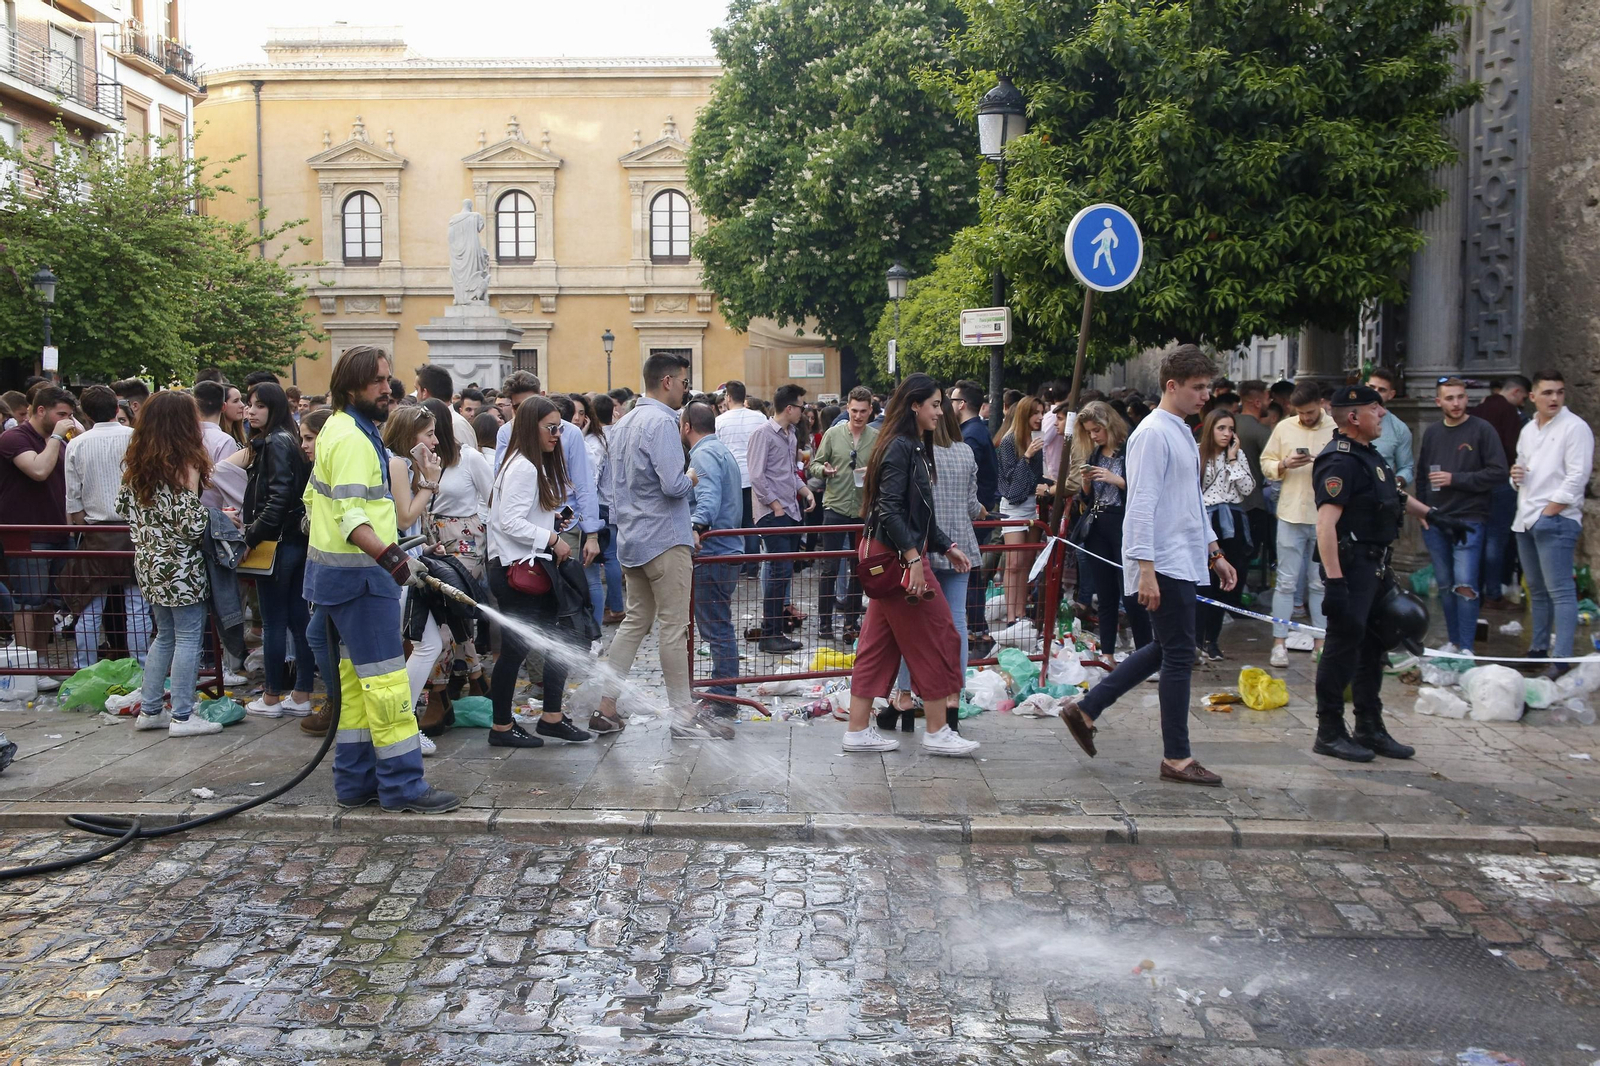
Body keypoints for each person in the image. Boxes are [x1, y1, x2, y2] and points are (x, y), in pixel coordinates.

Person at [1056, 345, 1237, 787]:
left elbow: (1190, 503)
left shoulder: (1177, 429)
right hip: (1165, 561)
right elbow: (1140, 506)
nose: (1204, 396)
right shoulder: (1153, 433)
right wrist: (1146, 570)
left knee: (1166, 647)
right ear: (1171, 386)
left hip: (1181, 557)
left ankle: (1087, 708)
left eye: (1207, 387)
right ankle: (1176, 757)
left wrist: (1214, 551)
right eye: (1197, 387)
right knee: (1177, 653)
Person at [302, 345, 458, 814]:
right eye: (377, 382)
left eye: (388, 379)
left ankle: (355, 783)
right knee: (389, 687)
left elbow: (315, 504)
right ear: (351, 386)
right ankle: (403, 787)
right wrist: (393, 559)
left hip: (339, 581)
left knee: (354, 689)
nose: (387, 388)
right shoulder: (352, 440)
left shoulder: (342, 429)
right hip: (362, 584)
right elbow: (352, 519)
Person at [1312, 385, 1469, 761]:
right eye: (1374, 408)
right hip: (1351, 568)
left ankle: (1369, 727)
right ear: (1353, 417)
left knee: (1372, 647)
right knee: (1341, 648)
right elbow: (1325, 526)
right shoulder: (1340, 461)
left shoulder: (1370, 457)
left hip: (1376, 566)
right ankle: (1329, 731)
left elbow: (1393, 494)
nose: (1382, 414)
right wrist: (1334, 582)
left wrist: (1433, 516)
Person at [839, 374, 976, 756]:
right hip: (900, 558)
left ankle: (856, 729)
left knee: (877, 646)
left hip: (893, 555)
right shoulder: (902, 447)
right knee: (937, 636)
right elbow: (890, 508)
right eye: (934, 404)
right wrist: (916, 558)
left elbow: (916, 511)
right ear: (914, 405)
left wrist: (946, 545)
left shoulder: (909, 445)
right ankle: (936, 730)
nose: (941, 411)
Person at [597, 352, 730, 740]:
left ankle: (607, 705)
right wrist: (691, 474)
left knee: (635, 623)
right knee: (674, 628)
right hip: (664, 540)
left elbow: (611, 489)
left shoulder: (624, 423)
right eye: (684, 382)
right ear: (668, 382)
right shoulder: (661, 422)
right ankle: (683, 713)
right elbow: (673, 485)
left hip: (633, 540)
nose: (686, 390)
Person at [485, 396, 596, 748]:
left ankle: (551, 717)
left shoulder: (528, 463)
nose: (557, 434)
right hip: (518, 572)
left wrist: (552, 519)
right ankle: (502, 727)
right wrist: (552, 538)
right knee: (517, 650)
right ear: (531, 427)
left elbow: (520, 514)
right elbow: (508, 521)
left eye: (560, 428)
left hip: (527, 568)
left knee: (559, 638)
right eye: (551, 428)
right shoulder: (525, 467)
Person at [117, 391, 223, 737]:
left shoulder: (137, 463)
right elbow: (192, 526)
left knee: (164, 636)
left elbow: (124, 510)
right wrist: (195, 491)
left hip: (148, 562)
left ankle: (150, 709)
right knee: (189, 637)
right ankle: (182, 714)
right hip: (181, 567)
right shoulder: (183, 464)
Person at [881, 398, 984, 732]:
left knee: (912, 628)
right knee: (956, 623)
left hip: (921, 547)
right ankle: (954, 696)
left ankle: (906, 695)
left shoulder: (919, 454)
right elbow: (971, 506)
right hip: (961, 545)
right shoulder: (965, 452)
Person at [233, 382, 317, 718]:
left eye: (258, 406)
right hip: (290, 540)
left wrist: (250, 536)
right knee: (297, 618)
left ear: (275, 409)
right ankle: (301, 693)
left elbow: (279, 497)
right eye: (249, 405)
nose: (250, 411)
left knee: (275, 620)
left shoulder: (277, 441)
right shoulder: (285, 439)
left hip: (278, 543)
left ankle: (272, 696)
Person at [1511, 369, 1595, 681]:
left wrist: (1552, 510)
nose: (1555, 398)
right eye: (1547, 392)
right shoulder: (1529, 430)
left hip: (1556, 518)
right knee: (1536, 590)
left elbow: (1578, 475)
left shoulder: (1575, 428)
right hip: (1526, 517)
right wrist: (1515, 477)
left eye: (1559, 392)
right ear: (1532, 397)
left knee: (1560, 590)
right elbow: (1521, 468)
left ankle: (1561, 659)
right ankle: (1537, 650)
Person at [1415, 378, 1507, 655]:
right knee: (1444, 584)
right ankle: (1454, 642)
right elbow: (1421, 474)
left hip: (1470, 517)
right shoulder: (1432, 432)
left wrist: (1455, 479)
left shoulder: (1482, 429)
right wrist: (1421, 509)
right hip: (1436, 518)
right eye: (1450, 398)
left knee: (1465, 583)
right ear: (1438, 402)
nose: (1456, 403)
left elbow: (1498, 472)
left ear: (1467, 399)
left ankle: (1467, 646)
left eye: (1460, 397)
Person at [62, 384, 145, 669]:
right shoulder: (136, 437)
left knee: (90, 606)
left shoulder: (77, 444)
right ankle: (142, 667)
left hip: (97, 533)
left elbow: (73, 501)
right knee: (137, 606)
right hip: (135, 531)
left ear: (85, 413)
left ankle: (84, 667)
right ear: (115, 409)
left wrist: (79, 529)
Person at [381, 405, 450, 741]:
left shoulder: (405, 465)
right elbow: (404, 518)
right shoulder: (396, 462)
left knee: (422, 646)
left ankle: (400, 722)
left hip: (405, 563)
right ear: (410, 436)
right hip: (395, 571)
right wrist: (431, 483)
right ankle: (401, 725)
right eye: (429, 434)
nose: (435, 442)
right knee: (425, 646)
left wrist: (425, 548)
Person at [0, 385, 78, 679]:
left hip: (58, 531)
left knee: (48, 601)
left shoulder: (57, 440)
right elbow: (38, 470)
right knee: (27, 601)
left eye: (69, 415)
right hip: (28, 533)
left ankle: (42, 661)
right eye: (61, 414)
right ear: (41, 410)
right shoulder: (14, 438)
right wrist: (58, 436)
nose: (67, 420)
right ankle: (26, 667)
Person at [1068, 401, 1151, 662]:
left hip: (1122, 524)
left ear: (1108, 425)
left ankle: (1145, 651)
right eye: (1090, 431)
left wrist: (1118, 481)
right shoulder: (1095, 454)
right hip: (1097, 524)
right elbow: (1086, 496)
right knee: (1104, 594)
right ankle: (1107, 653)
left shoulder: (1130, 449)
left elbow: (1143, 488)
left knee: (1131, 593)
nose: (1093, 436)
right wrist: (1086, 481)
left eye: (1096, 430)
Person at [422, 397, 493, 698]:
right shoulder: (420, 460)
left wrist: (481, 528)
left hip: (465, 538)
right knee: (447, 610)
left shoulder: (470, 458)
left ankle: (444, 687)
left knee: (452, 604)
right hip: (433, 538)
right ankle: (472, 675)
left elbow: (492, 497)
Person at [1260, 382, 1334, 667]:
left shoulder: (1335, 428)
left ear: (1321, 404)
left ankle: (1321, 641)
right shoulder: (1284, 428)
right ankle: (1279, 642)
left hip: (1324, 516)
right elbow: (1267, 462)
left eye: (1310, 412)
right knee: (1286, 582)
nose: (1305, 417)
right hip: (1291, 513)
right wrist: (1284, 464)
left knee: (1319, 584)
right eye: (1300, 413)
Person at [747, 383, 816, 654]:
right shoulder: (763, 434)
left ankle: (775, 631)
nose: (803, 411)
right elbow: (757, 476)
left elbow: (787, 472)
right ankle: (770, 633)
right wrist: (775, 505)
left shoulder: (790, 434)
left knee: (784, 572)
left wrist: (804, 490)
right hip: (772, 513)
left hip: (789, 510)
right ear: (789, 408)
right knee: (778, 572)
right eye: (801, 406)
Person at [684, 400, 743, 711]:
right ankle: (723, 687)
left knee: (716, 626)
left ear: (687, 427)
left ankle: (723, 694)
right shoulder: (720, 450)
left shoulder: (703, 454)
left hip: (714, 551)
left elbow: (708, 499)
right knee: (719, 624)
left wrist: (696, 526)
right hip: (727, 548)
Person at [808, 386, 877, 643]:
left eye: (863, 411)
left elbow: (884, 472)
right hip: (835, 507)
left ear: (870, 411)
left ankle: (851, 621)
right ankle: (825, 623)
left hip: (862, 510)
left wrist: (873, 473)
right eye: (854, 411)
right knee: (829, 567)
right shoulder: (833, 434)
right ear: (848, 408)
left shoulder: (876, 437)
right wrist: (823, 471)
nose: (858, 416)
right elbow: (814, 465)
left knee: (859, 567)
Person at [1196, 407, 1256, 661]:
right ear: (1211, 428)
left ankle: (1213, 640)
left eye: (1230, 429)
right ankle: (1197, 639)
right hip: (1206, 522)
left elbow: (1248, 488)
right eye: (1221, 428)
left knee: (1227, 585)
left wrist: (1232, 459)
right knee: (1204, 583)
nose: (1226, 433)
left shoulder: (1237, 455)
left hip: (1233, 522)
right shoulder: (1198, 452)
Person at [1470, 373, 1529, 608]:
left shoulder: (1478, 410)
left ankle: (1473, 589)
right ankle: (1493, 593)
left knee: (1477, 538)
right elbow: (1513, 450)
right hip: (1501, 482)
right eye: (1523, 398)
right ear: (1515, 392)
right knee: (1496, 539)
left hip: (1475, 483)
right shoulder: (1510, 413)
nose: (1523, 403)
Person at [993, 394, 1049, 636]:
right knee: (1013, 562)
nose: (1039, 418)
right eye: (1035, 413)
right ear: (1025, 415)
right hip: (1014, 506)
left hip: (1032, 504)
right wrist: (1027, 456)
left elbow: (1035, 481)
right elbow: (1011, 488)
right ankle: (1012, 614)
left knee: (1026, 561)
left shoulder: (1036, 439)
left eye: (1042, 412)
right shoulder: (1009, 442)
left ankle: (1021, 612)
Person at [953, 381, 1000, 648]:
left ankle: (976, 630)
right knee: (971, 572)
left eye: (951, 401)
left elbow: (966, 480)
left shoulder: (970, 435)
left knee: (968, 572)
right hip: (978, 511)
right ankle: (976, 628)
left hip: (976, 514)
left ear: (961, 404)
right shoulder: (974, 430)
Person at [714, 380, 768, 572]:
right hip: (754, 476)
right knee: (751, 522)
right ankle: (752, 565)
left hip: (730, 478)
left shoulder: (720, 421)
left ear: (728, 397)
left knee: (733, 521)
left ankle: (737, 562)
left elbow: (717, 449)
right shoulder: (760, 417)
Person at [586, 393, 625, 625]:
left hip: (602, 502)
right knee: (613, 556)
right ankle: (615, 604)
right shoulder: (620, 436)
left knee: (609, 557)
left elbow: (592, 478)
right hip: (619, 502)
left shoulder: (594, 442)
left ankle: (616, 606)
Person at [1232, 380, 1274, 581]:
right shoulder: (1261, 432)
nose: (1270, 402)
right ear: (1257, 402)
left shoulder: (1227, 423)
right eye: (1267, 398)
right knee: (1244, 556)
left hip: (1226, 502)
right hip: (1251, 503)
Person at [1364, 368, 1415, 490]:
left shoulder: (1399, 428)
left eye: (1381, 390)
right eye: (1372, 387)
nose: (1375, 393)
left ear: (1391, 394)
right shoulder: (1348, 419)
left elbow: (1406, 468)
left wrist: (1396, 482)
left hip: (1381, 494)